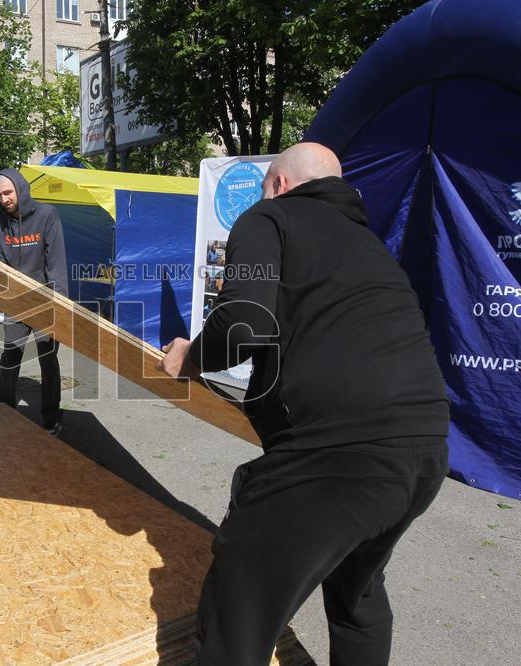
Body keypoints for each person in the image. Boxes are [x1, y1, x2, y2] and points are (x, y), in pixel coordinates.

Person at [157, 143, 450, 664]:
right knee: (357, 592)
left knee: (241, 600)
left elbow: (245, 322)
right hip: (424, 450)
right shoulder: (367, 244)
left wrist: (192, 355)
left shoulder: (268, 217)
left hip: (337, 455)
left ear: (280, 184)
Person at [0, 169, 69, 435]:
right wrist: (0, 298)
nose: (4, 199)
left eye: (8, 193)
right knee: (10, 354)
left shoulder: (47, 215)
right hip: (15, 300)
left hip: (45, 299)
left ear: (20, 189)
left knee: (48, 357)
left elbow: (55, 262)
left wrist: (60, 304)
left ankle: (51, 417)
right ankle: (3, 411)